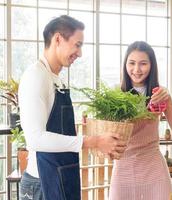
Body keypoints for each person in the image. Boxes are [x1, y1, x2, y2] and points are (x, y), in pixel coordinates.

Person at [18, 15, 127, 200]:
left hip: (60, 176)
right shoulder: (36, 76)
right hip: (42, 184)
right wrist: (93, 141)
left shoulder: (55, 78)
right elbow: (35, 139)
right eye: (77, 44)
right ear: (58, 39)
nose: (80, 53)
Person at [109, 41, 172, 200]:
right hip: (123, 167)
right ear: (125, 65)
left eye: (143, 63)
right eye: (132, 63)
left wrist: (168, 100)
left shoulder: (159, 92)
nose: (136, 70)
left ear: (152, 65)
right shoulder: (116, 94)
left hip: (153, 166)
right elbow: (109, 132)